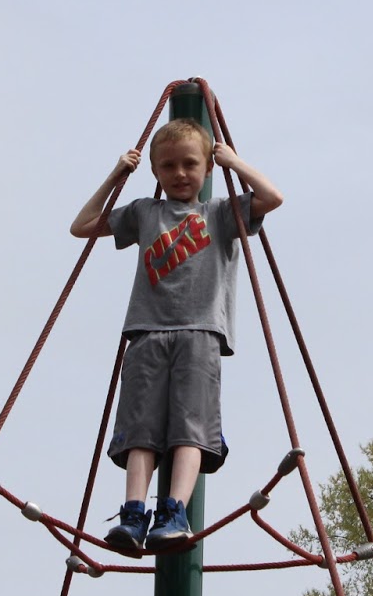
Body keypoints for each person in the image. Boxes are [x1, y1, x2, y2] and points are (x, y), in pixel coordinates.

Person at [69, 118, 284, 555]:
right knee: (140, 431)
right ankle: (134, 514)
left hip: (200, 332)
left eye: (191, 164)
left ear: (207, 168)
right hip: (147, 333)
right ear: (155, 173)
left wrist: (233, 161)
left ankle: (173, 512)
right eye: (168, 166)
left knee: (190, 427)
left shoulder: (221, 212)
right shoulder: (145, 213)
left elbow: (272, 197)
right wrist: (116, 175)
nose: (180, 173)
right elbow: (82, 226)